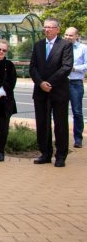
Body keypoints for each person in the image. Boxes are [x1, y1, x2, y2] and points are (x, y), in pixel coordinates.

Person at [30, 18, 73, 167]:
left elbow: (66, 67)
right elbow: (33, 67)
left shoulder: (65, 45)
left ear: (57, 30)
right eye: (45, 27)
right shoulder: (38, 46)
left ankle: (60, 156)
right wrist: (41, 83)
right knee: (42, 124)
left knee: (60, 125)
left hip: (58, 91)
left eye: (50, 27)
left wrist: (50, 83)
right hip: (40, 91)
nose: (46, 30)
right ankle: (45, 153)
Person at [64, 27, 86, 148]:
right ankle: (62, 138)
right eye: (66, 35)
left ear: (77, 36)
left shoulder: (83, 48)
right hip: (62, 82)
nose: (67, 37)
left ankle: (78, 139)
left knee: (76, 111)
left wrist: (75, 68)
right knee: (60, 111)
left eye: (70, 35)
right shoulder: (61, 46)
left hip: (75, 82)